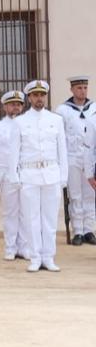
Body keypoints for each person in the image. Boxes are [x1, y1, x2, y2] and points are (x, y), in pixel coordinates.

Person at [4, 80, 67, 273]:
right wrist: (14, 176)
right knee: (31, 219)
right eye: (35, 95)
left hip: (51, 174)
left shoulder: (56, 120)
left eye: (42, 95)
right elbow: (14, 152)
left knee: (49, 219)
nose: (39, 98)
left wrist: (63, 176)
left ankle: (48, 257)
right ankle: (35, 257)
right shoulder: (19, 122)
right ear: (29, 98)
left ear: (45, 96)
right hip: (29, 175)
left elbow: (61, 150)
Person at [0, 90, 28, 261]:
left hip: (25, 173)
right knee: (10, 212)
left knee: (25, 212)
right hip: (6, 175)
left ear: (23, 106)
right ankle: (10, 247)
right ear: (5, 107)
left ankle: (23, 247)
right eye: (12, 104)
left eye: (18, 104)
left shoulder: (27, 124)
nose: (15, 107)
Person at [54, 76, 94, 245]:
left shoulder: (94, 108)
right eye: (79, 88)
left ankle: (89, 230)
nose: (82, 91)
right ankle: (77, 230)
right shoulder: (62, 110)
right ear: (72, 90)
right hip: (71, 157)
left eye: (85, 87)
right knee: (75, 194)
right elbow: (59, 137)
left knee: (90, 195)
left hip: (90, 158)